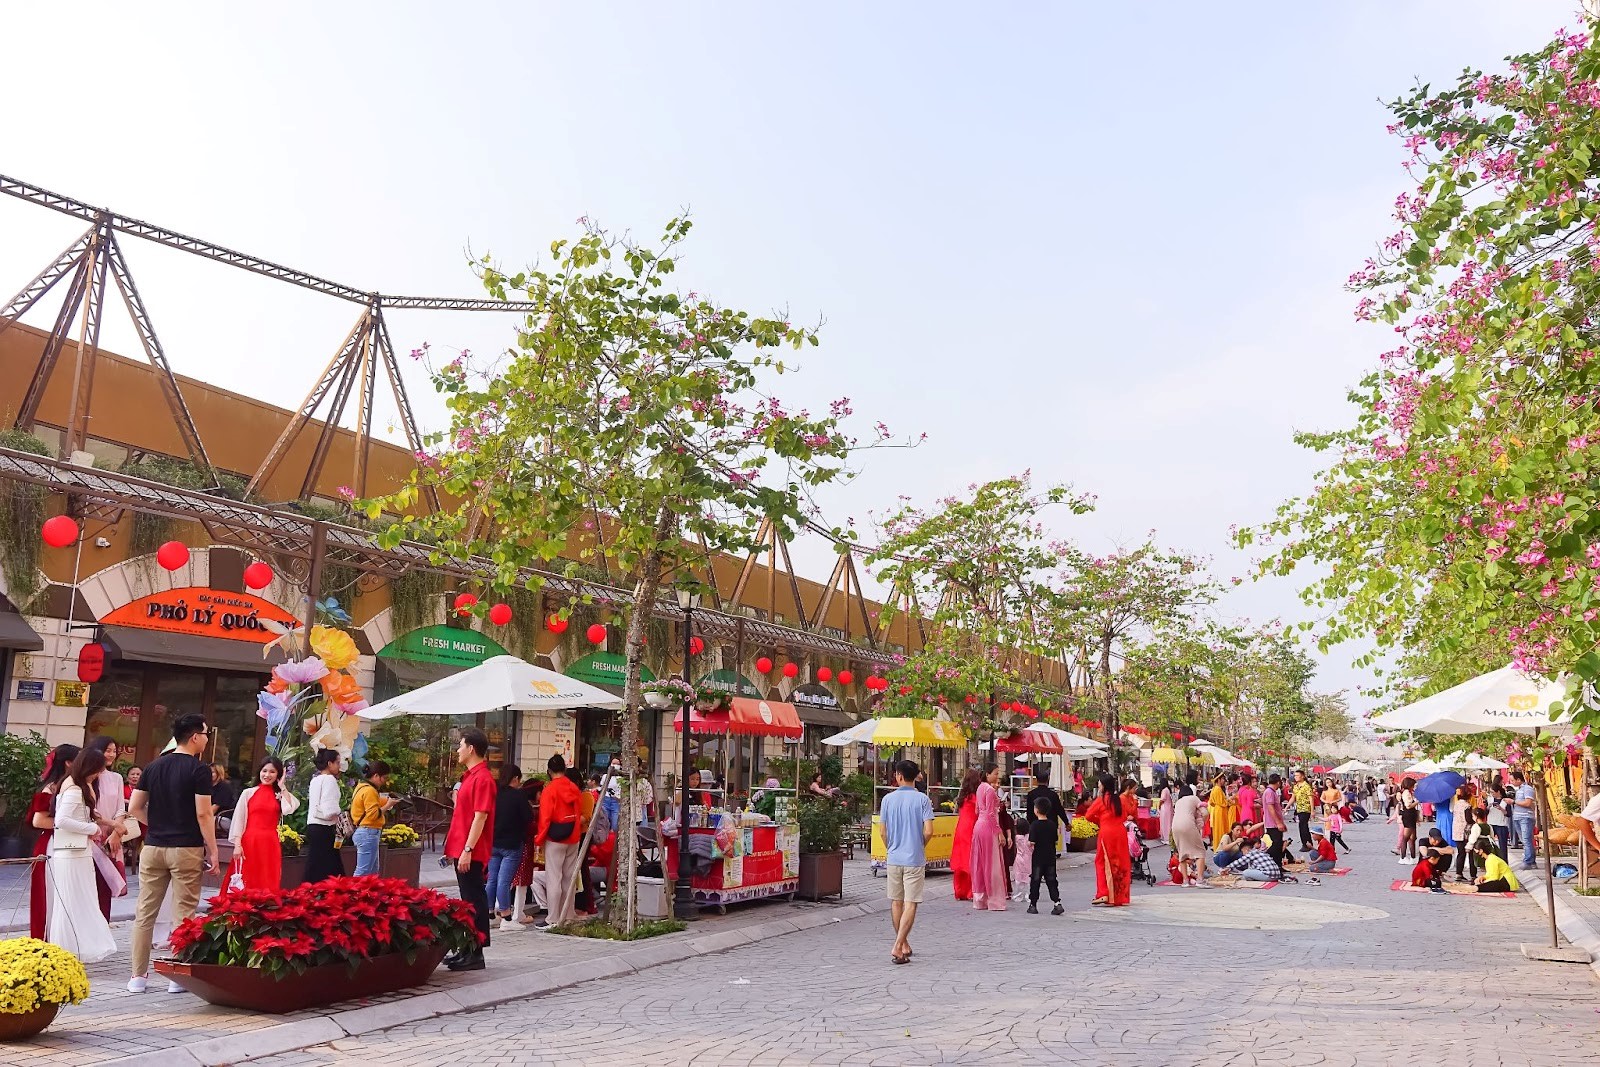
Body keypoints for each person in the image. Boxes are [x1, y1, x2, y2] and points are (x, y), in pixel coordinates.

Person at [128, 713, 217, 994]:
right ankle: (175, 976)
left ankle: (137, 977)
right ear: (194, 737)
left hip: (153, 847)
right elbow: (203, 814)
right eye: (206, 734)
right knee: (184, 912)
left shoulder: (153, 766)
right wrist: (213, 850)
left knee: (145, 913)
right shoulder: (198, 770)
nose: (206, 740)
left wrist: (155, 824)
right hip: (186, 848)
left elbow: (135, 808)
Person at [46, 746, 118, 963]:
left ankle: (71, 947)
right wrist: (92, 829)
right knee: (73, 900)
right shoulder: (75, 789)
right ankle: (69, 948)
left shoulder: (72, 785)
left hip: (74, 852)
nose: (98, 774)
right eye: (97, 769)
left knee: (74, 900)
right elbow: (62, 820)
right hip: (73, 853)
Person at [444, 729, 496, 970]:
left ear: (471, 748)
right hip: (462, 847)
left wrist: (467, 849)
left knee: (474, 899)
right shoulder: (470, 776)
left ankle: (476, 952)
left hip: (471, 849)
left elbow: (480, 817)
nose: (457, 750)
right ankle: (468, 949)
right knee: (468, 900)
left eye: (460, 745)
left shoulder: (482, 778)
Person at [880, 759, 934, 964]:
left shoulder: (887, 800)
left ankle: (902, 944)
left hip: (894, 857)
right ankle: (898, 945)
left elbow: (882, 831)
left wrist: (890, 847)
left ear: (899, 776)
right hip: (914, 858)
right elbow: (929, 830)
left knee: (896, 902)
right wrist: (919, 844)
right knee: (911, 903)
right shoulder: (922, 800)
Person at [28, 744, 79, 939]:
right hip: (51, 845)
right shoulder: (51, 788)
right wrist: (76, 825)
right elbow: (39, 820)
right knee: (48, 896)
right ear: (68, 763)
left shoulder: (72, 785)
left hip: (65, 843)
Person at [228, 755, 300, 890]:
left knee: (268, 879)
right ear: (259, 772)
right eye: (264, 771)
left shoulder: (279, 795)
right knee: (246, 879)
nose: (267, 775)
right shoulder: (248, 793)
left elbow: (289, 809)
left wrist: (282, 786)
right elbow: (239, 819)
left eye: (272, 772)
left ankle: (266, 909)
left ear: (278, 774)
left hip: (270, 843)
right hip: (249, 842)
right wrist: (237, 845)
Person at [535, 751, 582, 932]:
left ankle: (553, 917)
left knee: (553, 877)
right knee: (569, 877)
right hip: (573, 837)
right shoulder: (574, 788)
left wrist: (539, 839)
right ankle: (568, 915)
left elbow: (545, 818)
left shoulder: (550, 790)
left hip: (555, 838)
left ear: (549, 771)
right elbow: (578, 815)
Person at [85, 736, 130, 921]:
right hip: (91, 837)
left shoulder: (116, 778)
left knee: (105, 887)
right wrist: (113, 826)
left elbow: (121, 807)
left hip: (111, 839)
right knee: (89, 884)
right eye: (107, 750)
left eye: (114, 750)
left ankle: (103, 926)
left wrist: (116, 833)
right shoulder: (86, 778)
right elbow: (90, 810)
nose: (111, 754)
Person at [488, 765, 532, 928]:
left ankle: (490, 912)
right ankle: (506, 916)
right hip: (512, 844)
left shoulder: (494, 794)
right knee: (504, 881)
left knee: (492, 879)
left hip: (493, 842)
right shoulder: (518, 795)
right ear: (515, 778)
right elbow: (528, 817)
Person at [1084, 773, 1132, 906]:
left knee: (1101, 862)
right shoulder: (1119, 800)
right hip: (1120, 833)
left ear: (1104, 785)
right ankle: (1119, 896)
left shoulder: (1101, 800)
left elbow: (1088, 816)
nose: (1098, 785)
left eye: (1099, 783)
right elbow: (1124, 817)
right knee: (1120, 862)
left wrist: (1101, 820)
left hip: (1107, 833)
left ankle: (1103, 893)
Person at [348, 759, 398, 877]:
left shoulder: (361, 787)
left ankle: (368, 894)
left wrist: (386, 801)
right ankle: (355, 893)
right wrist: (388, 805)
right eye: (384, 778)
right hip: (368, 832)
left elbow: (370, 804)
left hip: (365, 832)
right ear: (376, 776)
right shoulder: (370, 790)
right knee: (363, 871)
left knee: (372, 872)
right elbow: (373, 815)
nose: (384, 782)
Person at [302, 749, 345, 883]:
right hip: (325, 827)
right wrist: (339, 813)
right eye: (337, 762)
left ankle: (309, 890)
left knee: (315, 862)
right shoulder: (330, 780)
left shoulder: (315, 780)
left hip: (313, 825)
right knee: (330, 865)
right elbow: (330, 809)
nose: (339, 766)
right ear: (329, 763)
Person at [970, 764, 1008, 911]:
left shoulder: (980, 788)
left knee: (979, 863)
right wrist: (1000, 833)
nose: (997, 776)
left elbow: (977, 809)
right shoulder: (990, 790)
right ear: (987, 774)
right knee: (992, 864)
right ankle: (995, 900)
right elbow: (991, 815)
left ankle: (980, 899)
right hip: (988, 827)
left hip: (979, 826)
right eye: (996, 773)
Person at [1027, 796, 1063, 915]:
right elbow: (1055, 840)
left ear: (1036, 810)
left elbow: (1032, 842)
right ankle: (1057, 903)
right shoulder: (1052, 825)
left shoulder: (1034, 825)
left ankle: (1033, 904)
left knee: (1035, 880)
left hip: (1038, 857)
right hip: (1050, 857)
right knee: (1052, 880)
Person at [949, 768, 981, 901]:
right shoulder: (975, 797)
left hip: (961, 828)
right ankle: (970, 891)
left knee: (960, 860)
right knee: (970, 860)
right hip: (971, 828)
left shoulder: (963, 797)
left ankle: (959, 891)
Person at [1172, 781, 1207, 886]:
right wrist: (1201, 823)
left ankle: (1185, 881)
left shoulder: (1178, 802)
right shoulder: (1194, 798)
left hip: (1174, 827)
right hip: (1188, 824)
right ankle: (1200, 880)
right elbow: (1205, 812)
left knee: (1182, 853)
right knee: (1200, 851)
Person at [1510, 770, 1538, 870]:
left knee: (1526, 839)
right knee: (1524, 840)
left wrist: (1513, 802)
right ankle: (1531, 860)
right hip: (1517, 817)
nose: (1511, 782)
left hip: (1525, 817)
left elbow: (1527, 803)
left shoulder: (1527, 789)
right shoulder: (1519, 790)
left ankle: (1528, 861)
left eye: (1513, 780)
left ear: (1518, 779)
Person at [1261, 773, 1288, 867]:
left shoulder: (1272, 792)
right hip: (1272, 824)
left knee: (1278, 845)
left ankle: (1278, 865)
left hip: (1275, 823)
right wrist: (1278, 823)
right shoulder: (1269, 792)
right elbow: (1271, 808)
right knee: (1275, 845)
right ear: (1278, 782)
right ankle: (1263, 858)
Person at [1395, 777, 1420, 863]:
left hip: (1411, 816)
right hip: (1408, 815)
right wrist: (1417, 801)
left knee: (1413, 838)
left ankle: (1413, 857)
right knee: (1406, 837)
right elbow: (1408, 805)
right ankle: (1403, 857)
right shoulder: (1406, 793)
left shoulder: (1409, 792)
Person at [1207, 775, 1233, 849]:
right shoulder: (1218, 789)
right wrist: (1229, 800)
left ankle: (1218, 846)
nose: (1224, 781)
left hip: (1217, 810)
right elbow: (1223, 803)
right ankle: (1220, 846)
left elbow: (1211, 802)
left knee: (1218, 829)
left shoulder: (1214, 788)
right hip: (1220, 811)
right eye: (1223, 779)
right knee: (1220, 829)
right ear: (1218, 779)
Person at [1487, 784, 1512, 859]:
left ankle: (1504, 862)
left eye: (1493, 792)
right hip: (1491, 823)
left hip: (1501, 824)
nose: (1492, 794)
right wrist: (1488, 807)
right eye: (1491, 792)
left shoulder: (1505, 801)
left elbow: (1508, 814)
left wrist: (1501, 808)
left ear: (1498, 792)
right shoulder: (1489, 799)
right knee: (1489, 844)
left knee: (1503, 846)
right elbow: (1485, 812)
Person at [1292, 770, 1315, 851]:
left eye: (1297, 775)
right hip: (1299, 808)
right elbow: (1293, 797)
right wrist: (1287, 806)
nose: (1296, 777)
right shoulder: (1295, 786)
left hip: (1306, 808)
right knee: (1302, 826)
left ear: (1302, 776)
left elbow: (1311, 798)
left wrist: (1312, 811)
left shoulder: (1306, 786)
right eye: (1295, 775)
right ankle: (1306, 843)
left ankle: (1307, 843)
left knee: (1303, 825)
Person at [1157, 774, 1174, 845]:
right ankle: (1169, 838)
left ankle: (1165, 838)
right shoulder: (1168, 790)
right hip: (1169, 808)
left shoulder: (1164, 790)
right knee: (1169, 823)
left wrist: (1159, 806)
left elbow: (1162, 800)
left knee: (1164, 823)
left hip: (1164, 809)